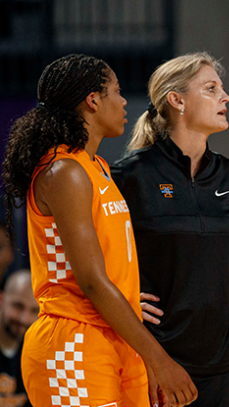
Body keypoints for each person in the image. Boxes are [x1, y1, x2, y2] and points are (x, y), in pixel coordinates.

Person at [1, 54, 197, 407]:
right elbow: (90, 280)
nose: (124, 102)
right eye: (117, 92)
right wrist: (158, 357)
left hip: (114, 340)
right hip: (71, 342)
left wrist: (139, 348)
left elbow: (111, 268)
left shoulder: (98, 168)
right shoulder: (64, 171)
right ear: (92, 100)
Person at [111, 52, 229, 406]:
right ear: (176, 100)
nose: (225, 97)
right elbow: (101, 252)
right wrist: (126, 294)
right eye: (211, 89)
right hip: (155, 357)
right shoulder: (130, 176)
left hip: (221, 362)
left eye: (221, 89)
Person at [0, 270, 37, 407]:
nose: (24, 318)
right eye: (18, 306)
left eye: (34, 311)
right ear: (1, 299)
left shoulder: (37, 355)